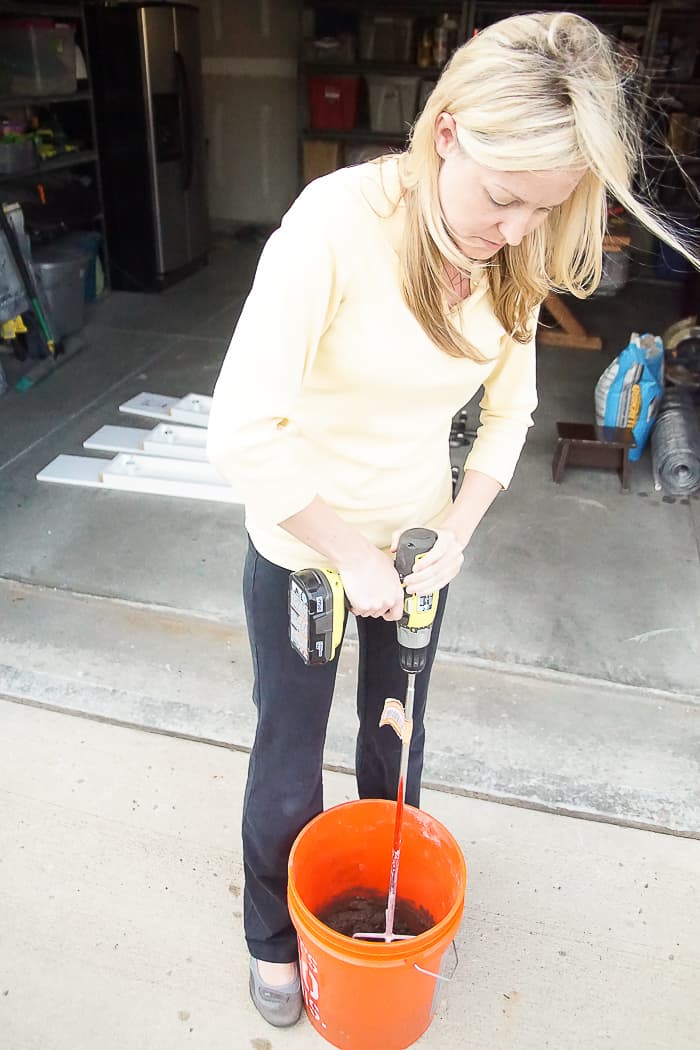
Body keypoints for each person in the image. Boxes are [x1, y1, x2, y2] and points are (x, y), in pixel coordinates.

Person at [207, 10, 694, 1029]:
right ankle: (268, 935)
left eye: (541, 209)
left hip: (419, 548)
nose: (514, 230)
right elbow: (242, 434)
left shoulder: (513, 251)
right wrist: (348, 551)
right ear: (445, 134)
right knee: (288, 761)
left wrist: (458, 531)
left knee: (396, 752)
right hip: (306, 546)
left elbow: (508, 412)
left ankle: (385, 915)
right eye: (504, 199)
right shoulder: (332, 230)